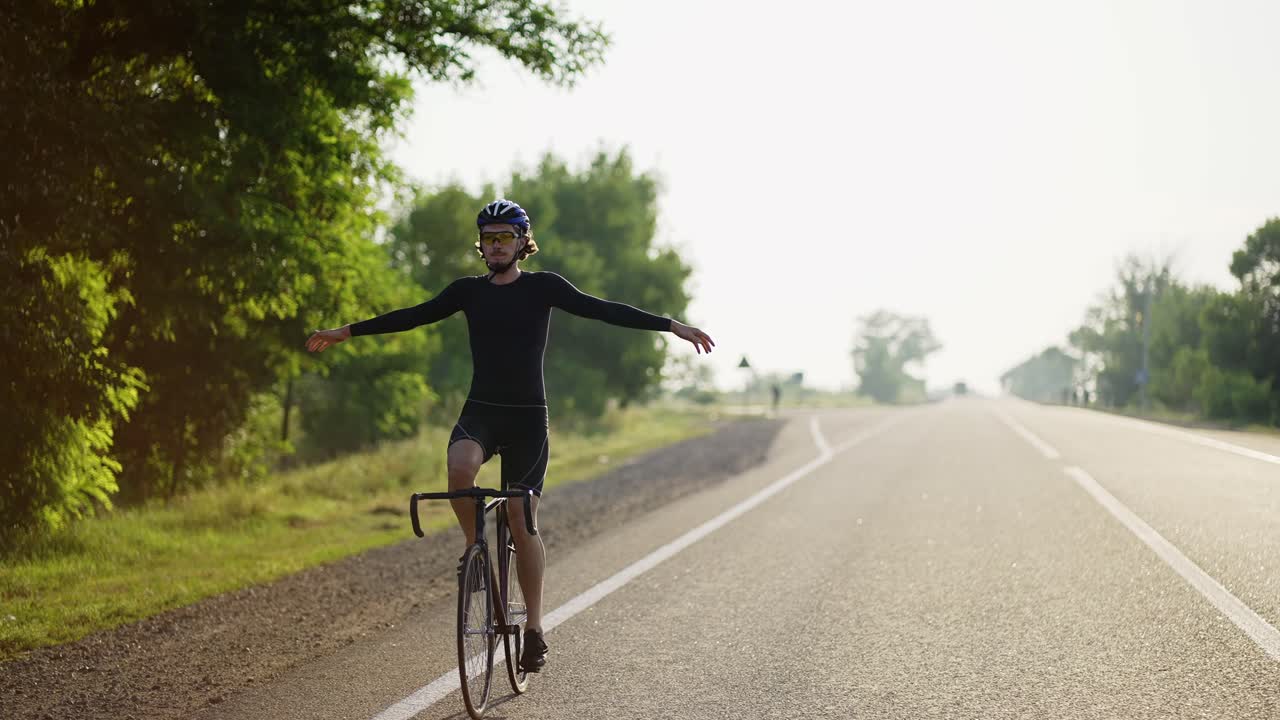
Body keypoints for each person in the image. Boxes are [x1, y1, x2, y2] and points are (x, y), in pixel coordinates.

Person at [304, 199, 714, 673]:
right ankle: (472, 549)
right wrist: (345, 332)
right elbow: (412, 315)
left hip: (527, 420)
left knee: (521, 516)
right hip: (482, 411)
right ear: (480, 245)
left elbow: (603, 310)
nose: (495, 245)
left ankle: (535, 628)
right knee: (459, 467)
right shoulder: (467, 292)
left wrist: (671, 326)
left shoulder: (544, 288)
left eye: (504, 237)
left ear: (522, 242)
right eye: (488, 238)